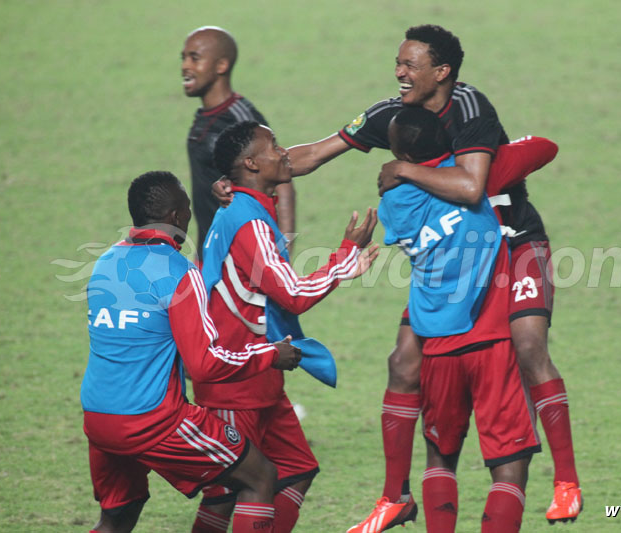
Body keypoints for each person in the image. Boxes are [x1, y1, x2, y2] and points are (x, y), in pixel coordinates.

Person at [214, 24, 581, 526]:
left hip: (509, 238)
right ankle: (394, 496)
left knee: (529, 345)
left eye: (410, 65)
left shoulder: (470, 109)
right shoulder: (391, 114)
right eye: (398, 62)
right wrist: (241, 177)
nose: (399, 73)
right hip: (452, 256)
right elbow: (315, 154)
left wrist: (405, 172)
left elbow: (472, 187)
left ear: (442, 72)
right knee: (403, 363)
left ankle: (565, 483)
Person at [350, 107, 540, 533]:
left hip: (436, 345)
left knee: (440, 456)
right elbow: (545, 148)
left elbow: (405, 217)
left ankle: (398, 499)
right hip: (492, 342)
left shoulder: (394, 202)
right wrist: (474, 166)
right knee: (509, 465)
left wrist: (403, 170)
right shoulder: (475, 179)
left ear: (399, 155)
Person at [81, 171, 303, 533]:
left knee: (119, 515)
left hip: (98, 417)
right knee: (259, 477)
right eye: (186, 208)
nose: (189, 214)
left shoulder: (105, 262)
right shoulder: (180, 272)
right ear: (176, 218)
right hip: (152, 419)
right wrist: (270, 356)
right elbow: (204, 364)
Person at [190, 121, 380, 533]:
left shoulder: (246, 210)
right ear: (252, 163)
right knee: (228, 492)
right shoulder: (249, 222)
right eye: (274, 146)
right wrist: (345, 255)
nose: (284, 152)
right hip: (235, 379)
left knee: (295, 469)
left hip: (261, 374)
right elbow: (291, 293)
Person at [182, 26, 295, 262]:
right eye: (184, 58)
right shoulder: (204, 117)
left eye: (195, 58)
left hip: (242, 259)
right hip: (211, 255)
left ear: (221, 66)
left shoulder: (240, 119)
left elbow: (282, 183)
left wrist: (283, 254)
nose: (185, 66)